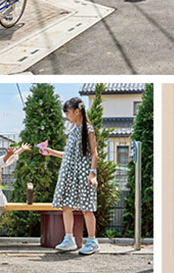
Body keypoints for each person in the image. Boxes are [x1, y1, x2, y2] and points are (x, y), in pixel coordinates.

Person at [43, 97, 100, 255]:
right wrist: (51, 152)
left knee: (87, 208)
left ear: (77, 111)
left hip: (84, 174)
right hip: (70, 174)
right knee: (66, 206)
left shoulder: (88, 129)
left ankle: (92, 241)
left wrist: (92, 174)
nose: (66, 115)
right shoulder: (74, 131)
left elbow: (94, 153)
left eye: (67, 112)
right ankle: (69, 239)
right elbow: (69, 156)